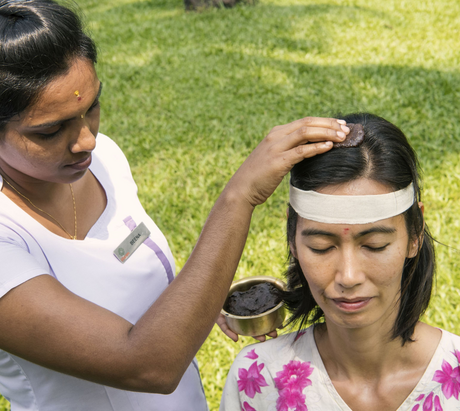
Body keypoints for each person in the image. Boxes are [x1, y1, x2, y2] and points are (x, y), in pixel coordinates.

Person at [0, 0, 350, 409]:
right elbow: (150, 365)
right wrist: (239, 196)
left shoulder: (104, 161)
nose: (86, 140)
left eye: (91, 106)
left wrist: (197, 303)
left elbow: (129, 272)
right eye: (50, 130)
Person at [220, 113, 460, 411]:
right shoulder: (260, 380)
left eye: (375, 245)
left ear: (415, 234)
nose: (348, 276)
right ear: (293, 238)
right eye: (321, 247)